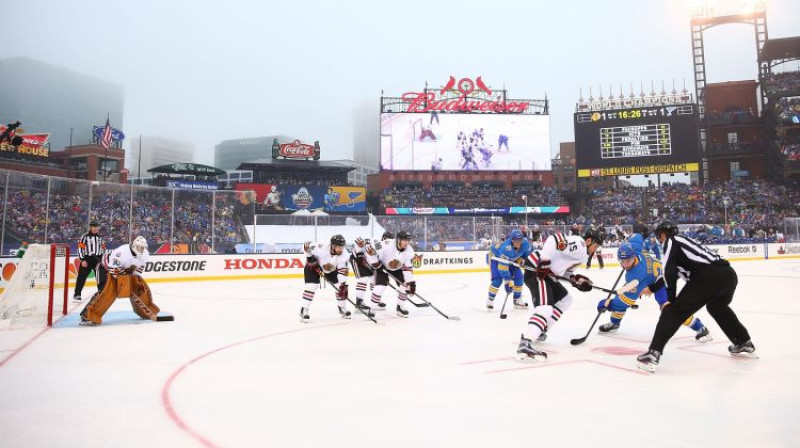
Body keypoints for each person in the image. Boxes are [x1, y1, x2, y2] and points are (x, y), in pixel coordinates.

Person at [636, 220, 756, 373]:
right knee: (716, 307)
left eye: (659, 237)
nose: (659, 241)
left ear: (664, 234)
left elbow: (668, 272)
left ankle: (653, 354)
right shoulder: (683, 247)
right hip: (727, 276)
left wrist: (670, 302)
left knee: (673, 312)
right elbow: (672, 272)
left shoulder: (672, 241)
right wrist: (652, 288)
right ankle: (743, 341)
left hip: (709, 276)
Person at [597, 242, 711, 341]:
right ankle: (615, 323)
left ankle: (699, 327)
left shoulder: (635, 277)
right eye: (622, 261)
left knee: (668, 308)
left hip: (662, 282)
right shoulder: (636, 247)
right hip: (657, 273)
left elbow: (624, 302)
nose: (625, 264)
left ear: (634, 256)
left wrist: (607, 304)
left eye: (628, 260)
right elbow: (637, 237)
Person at [516, 229, 598, 361]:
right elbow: (555, 238)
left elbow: (563, 272)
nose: (596, 250)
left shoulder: (583, 256)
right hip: (537, 269)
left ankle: (539, 330)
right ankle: (526, 342)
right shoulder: (580, 244)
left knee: (566, 299)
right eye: (596, 246)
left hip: (547, 274)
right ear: (589, 241)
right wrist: (544, 261)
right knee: (545, 308)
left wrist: (575, 280)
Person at [79, 236, 158, 326]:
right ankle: (88, 315)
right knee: (107, 292)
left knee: (139, 288)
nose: (142, 249)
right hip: (105, 268)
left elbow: (137, 272)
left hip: (125, 271)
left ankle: (144, 312)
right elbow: (112, 270)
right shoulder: (121, 252)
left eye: (143, 247)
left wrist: (133, 279)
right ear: (134, 246)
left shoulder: (145, 254)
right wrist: (123, 280)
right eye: (140, 247)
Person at [364, 230, 416, 317]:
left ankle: (400, 307)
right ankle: (372, 308)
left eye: (408, 240)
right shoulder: (387, 244)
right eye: (404, 240)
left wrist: (409, 282)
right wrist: (376, 263)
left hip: (398, 269)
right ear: (399, 240)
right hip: (382, 267)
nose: (407, 242)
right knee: (380, 287)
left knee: (404, 286)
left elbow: (407, 268)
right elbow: (369, 251)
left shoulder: (409, 251)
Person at [300, 235, 352, 323]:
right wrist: (310, 258)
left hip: (330, 270)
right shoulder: (321, 248)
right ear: (333, 245)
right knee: (312, 286)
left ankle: (342, 308)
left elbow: (343, 272)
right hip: (313, 267)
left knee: (340, 286)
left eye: (342, 247)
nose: (340, 249)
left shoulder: (345, 255)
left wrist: (342, 285)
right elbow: (305, 245)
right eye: (338, 247)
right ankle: (304, 309)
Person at [486, 229, 531, 311]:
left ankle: (517, 300)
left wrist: (527, 262)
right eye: (515, 240)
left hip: (511, 259)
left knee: (519, 278)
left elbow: (527, 255)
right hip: (496, 258)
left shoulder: (525, 243)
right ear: (511, 239)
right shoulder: (505, 248)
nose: (518, 242)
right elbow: (502, 268)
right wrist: (507, 281)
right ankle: (490, 299)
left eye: (520, 240)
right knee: (497, 280)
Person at [351, 231, 394, 312]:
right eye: (388, 240)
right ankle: (359, 302)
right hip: (358, 259)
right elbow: (358, 240)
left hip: (369, 262)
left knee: (375, 280)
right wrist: (360, 249)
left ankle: (375, 301)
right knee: (363, 279)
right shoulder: (378, 244)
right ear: (384, 239)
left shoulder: (386, 249)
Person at [73, 221, 107, 302]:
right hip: (87, 259)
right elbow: (80, 248)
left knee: (101, 277)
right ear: (90, 228)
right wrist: (82, 260)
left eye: (96, 227)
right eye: (93, 227)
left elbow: (103, 249)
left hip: (98, 260)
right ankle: (77, 294)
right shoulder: (85, 237)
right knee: (81, 277)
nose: (95, 228)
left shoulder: (100, 238)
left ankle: (101, 293)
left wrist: (103, 259)